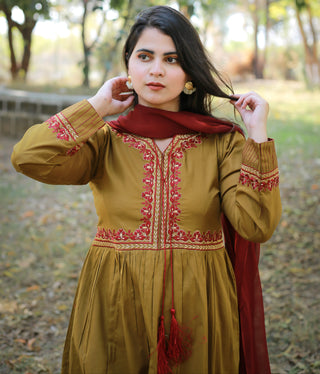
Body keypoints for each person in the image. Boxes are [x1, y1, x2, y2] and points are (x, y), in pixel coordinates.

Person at [11, 5, 281, 374]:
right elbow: (28, 157)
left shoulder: (222, 143)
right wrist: (97, 106)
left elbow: (256, 225)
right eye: (144, 56)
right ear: (129, 68)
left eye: (171, 59)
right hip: (115, 300)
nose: (156, 69)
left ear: (189, 74)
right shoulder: (104, 141)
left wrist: (257, 135)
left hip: (197, 305)